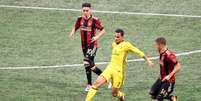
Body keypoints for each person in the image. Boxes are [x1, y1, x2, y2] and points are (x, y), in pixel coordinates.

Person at [85, 29, 154, 101]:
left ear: (122, 37)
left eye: (117, 37)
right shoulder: (114, 44)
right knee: (96, 84)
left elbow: (138, 52)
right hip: (109, 68)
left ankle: (121, 95)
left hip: (118, 72)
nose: (115, 38)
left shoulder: (126, 45)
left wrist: (148, 60)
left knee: (114, 93)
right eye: (115, 36)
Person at [69, 3, 105, 91]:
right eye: (84, 10)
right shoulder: (79, 19)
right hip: (84, 46)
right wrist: (72, 32)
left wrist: (96, 37)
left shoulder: (95, 20)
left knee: (86, 61)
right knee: (91, 66)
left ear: (90, 10)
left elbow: (103, 30)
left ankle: (89, 84)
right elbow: (76, 26)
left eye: (87, 10)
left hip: (92, 45)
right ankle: (106, 78)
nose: (85, 12)